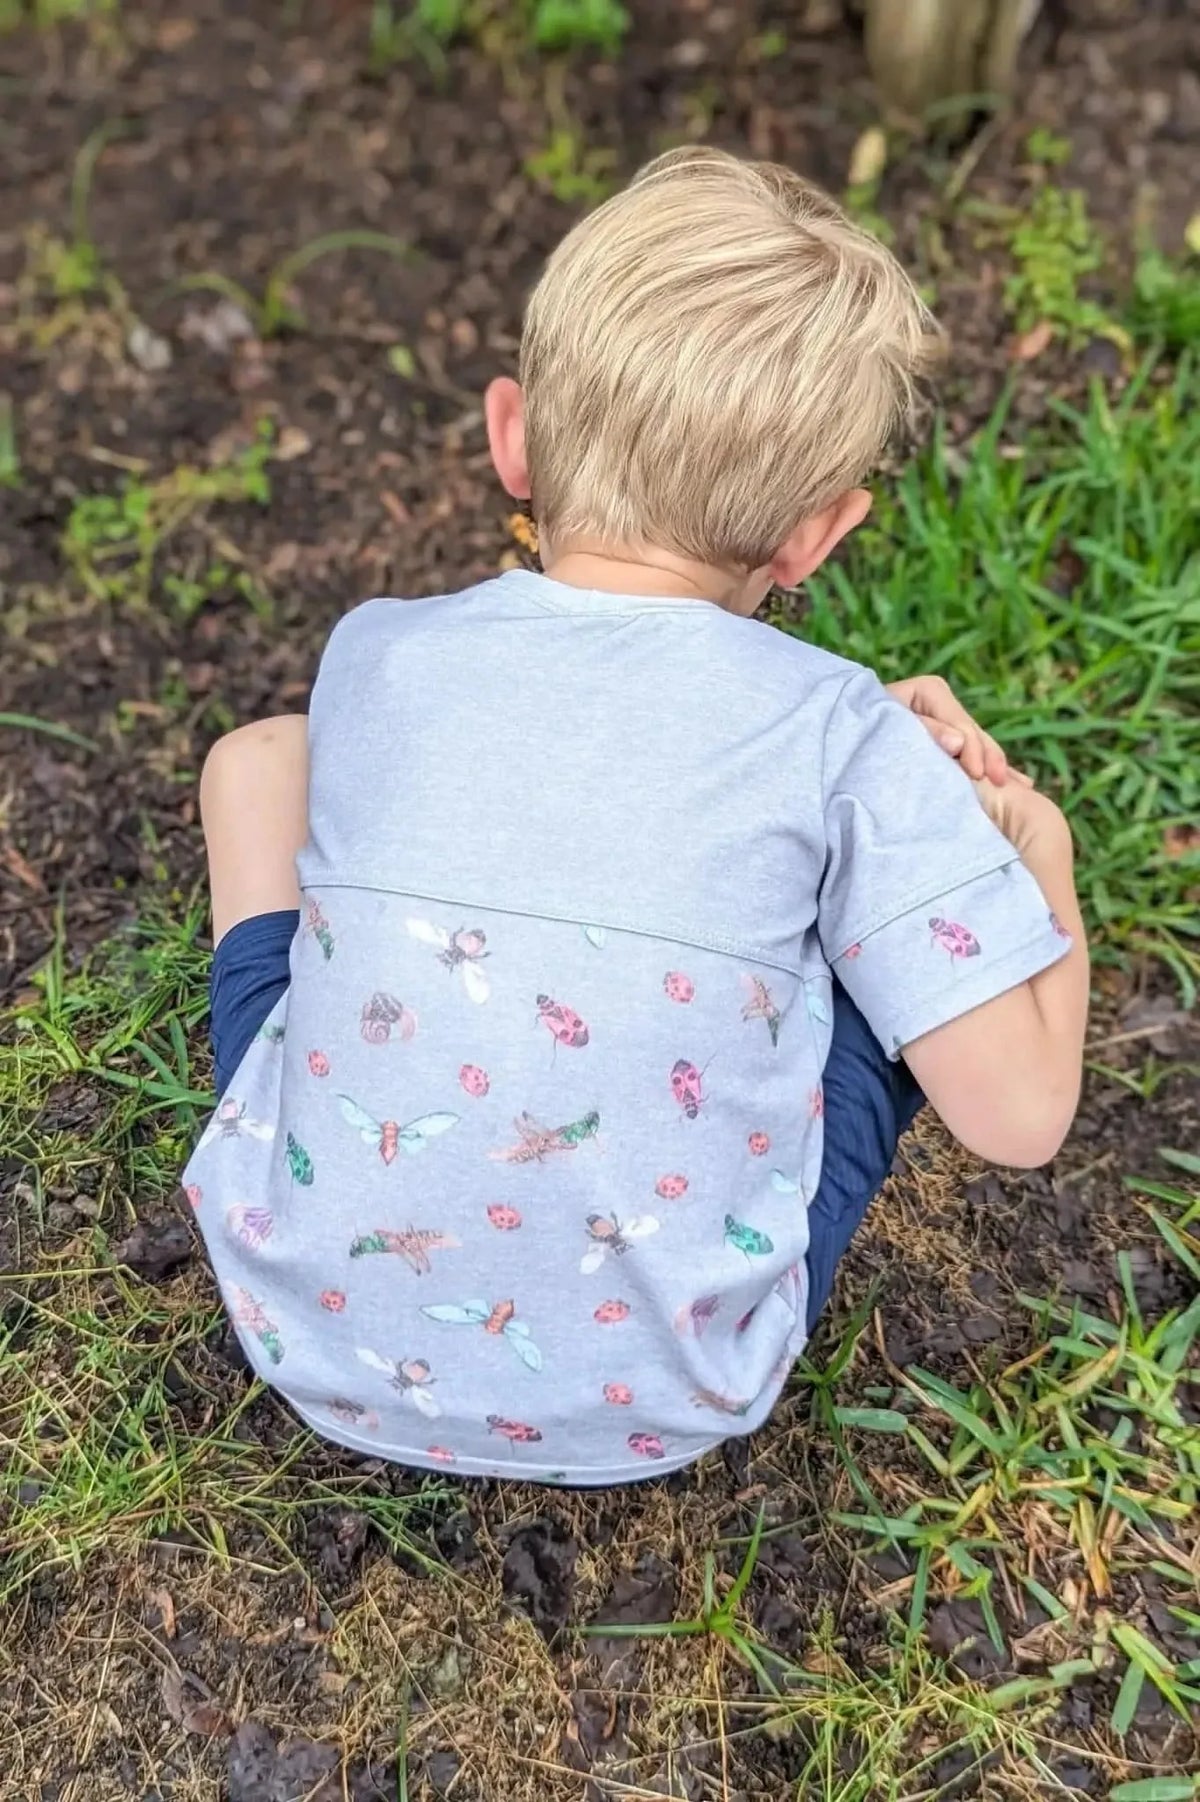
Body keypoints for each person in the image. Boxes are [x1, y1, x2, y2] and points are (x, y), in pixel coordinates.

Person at [183, 147, 1088, 1484]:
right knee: (863, 942)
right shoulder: (842, 734)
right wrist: (1034, 859)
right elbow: (1021, 1119)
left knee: (256, 761)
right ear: (816, 536)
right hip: (674, 1382)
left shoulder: (380, 652)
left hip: (306, 1319)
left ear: (511, 435)